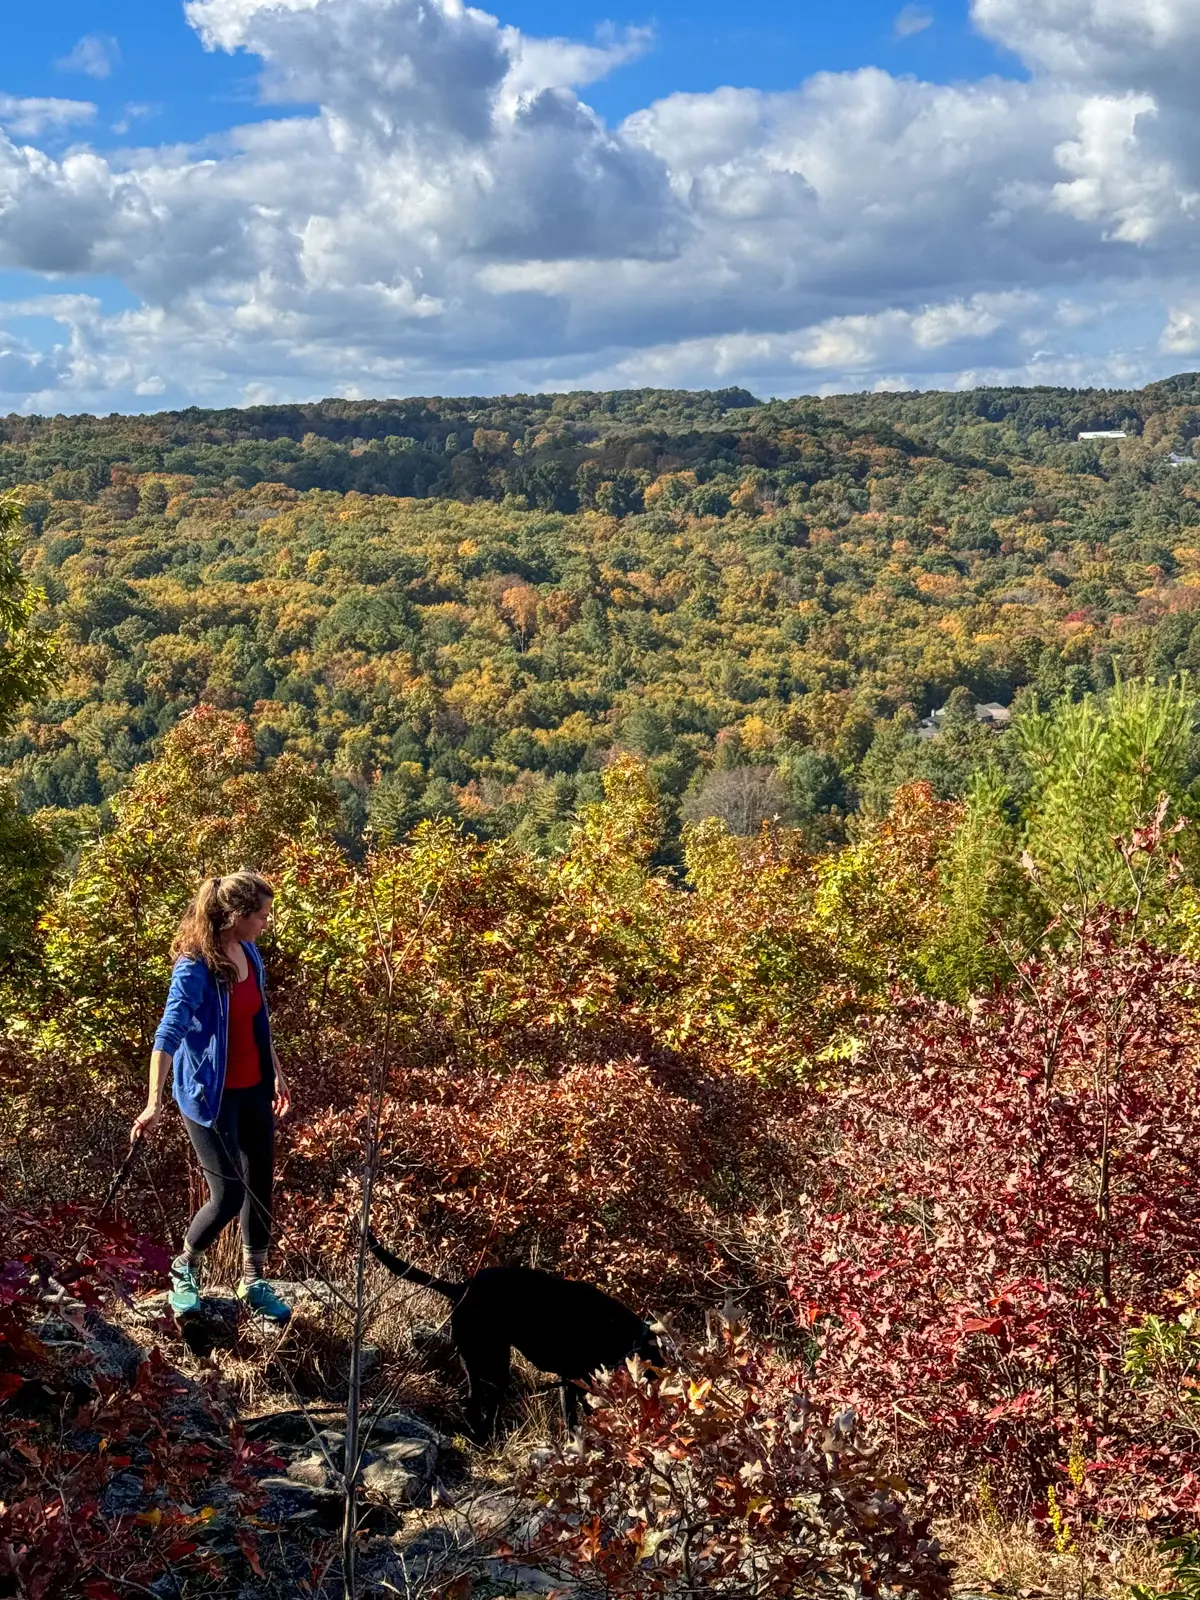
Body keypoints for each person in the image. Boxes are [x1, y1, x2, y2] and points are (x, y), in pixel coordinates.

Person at [132, 870, 293, 1324]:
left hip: (254, 1089)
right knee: (227, 1195)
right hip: (209, 1096)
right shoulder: (195, 966)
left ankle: (253, 1279)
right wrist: (153, 1101)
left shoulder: (250, 954)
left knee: (259, 1185)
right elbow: (168, 1035)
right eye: (261, 914)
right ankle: (186, 1265)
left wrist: (276, 1074)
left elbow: (258, 1023)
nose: (266, 921)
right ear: (237, 915)